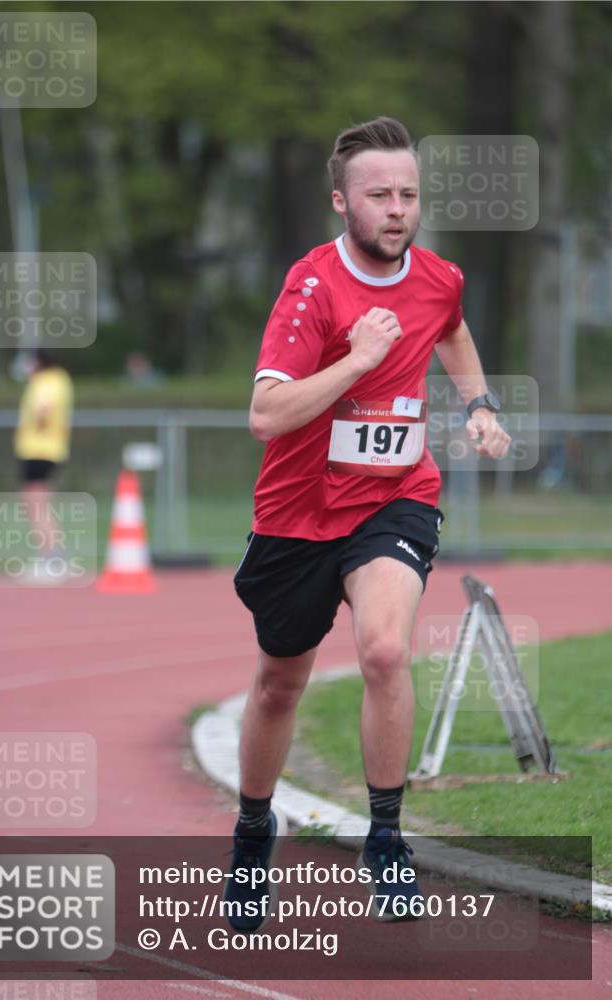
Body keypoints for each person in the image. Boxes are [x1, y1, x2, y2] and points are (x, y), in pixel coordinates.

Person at [225, 117, 510, 929]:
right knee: (279, 685)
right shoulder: (311, 288)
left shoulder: (439, 278)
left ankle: (386, 841)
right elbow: (264, 414)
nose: (396, 209)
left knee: (385, 650)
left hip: (394, 497)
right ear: (341, 203)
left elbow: (450, 328)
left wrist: (480, 405)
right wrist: (356, 358)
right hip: (297, 512)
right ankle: (253, 830)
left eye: (408, 195)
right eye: (379, 195)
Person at [13, 347, 74, 582]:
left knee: (36, 505)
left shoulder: (47, 381)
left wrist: (38, 425)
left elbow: (43, 409)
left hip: (40, 449)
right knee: (38, 504)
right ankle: (52, 557)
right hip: (46, 448)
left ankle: (51, 558)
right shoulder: (58, 380)